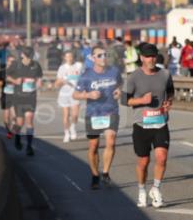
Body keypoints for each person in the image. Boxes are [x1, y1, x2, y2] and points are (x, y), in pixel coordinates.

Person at [125, 43, 175, 208]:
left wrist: (168, 102)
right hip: (141, 125)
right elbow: (124, 100)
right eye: (147, 56)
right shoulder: (133, 77)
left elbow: (171, 92)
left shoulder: (165, 74)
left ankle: (156, 189)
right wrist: (141, 101)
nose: (151, 59)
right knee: (143, 162)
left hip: (160, 123)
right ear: (141, 58)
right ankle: (141, 190)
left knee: (161, 157)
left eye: (153, 56)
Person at [74, 45, 123, 189]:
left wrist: (119, 90)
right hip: (93, 113)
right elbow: (75, 94)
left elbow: (120, 83)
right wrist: (88, 95)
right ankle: (95, 175)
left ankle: (106, 172)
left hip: (111, 111)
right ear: (93, 58)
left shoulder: (114, 71)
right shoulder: (86, 75)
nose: (103, 58)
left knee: (111, 141)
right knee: (94, 146)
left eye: (105, 55)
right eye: (100, 55)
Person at [7, 48, 43, 156]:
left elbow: (39, 78)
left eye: (30, 56)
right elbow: (6, 75)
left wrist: (39, 83)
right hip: (18, 97)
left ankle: (29, 146)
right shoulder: (16, 64)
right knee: (19, 123)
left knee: (29, 120)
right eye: (27, 56)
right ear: (22, 55)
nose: (28, 59)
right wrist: (14, 81)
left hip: (31, 97)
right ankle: (17, 139)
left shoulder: (36, 65)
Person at [56, 51, 84, 143]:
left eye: (71, 56)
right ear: (64, 58)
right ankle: (66, 133)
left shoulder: (78, 66)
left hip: (75, 93)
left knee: (75, 115)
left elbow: (84, 77)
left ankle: (72, 128)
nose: (69, 58)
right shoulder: (62, 68)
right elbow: (57, 83)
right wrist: (63, 81)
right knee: (66, 115)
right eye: (67, 56)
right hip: (64, 94)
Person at [0, 51, 16, 139]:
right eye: (11, 61)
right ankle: (8, 130)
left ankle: (11, 131)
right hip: (5, 95)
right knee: (6, 117)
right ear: (7, 61)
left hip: (14, 95)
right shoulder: (3, 71)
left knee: (14, 115)